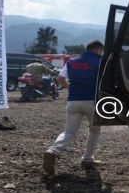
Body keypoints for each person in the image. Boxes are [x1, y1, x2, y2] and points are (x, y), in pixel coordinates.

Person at [43, 40, 104, 175]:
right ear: (98, 49)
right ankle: (87, 159)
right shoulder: (100, 62)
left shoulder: (71, 62)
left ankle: (53, 151)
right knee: (94, 130)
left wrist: (70, 88)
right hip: (92, 101)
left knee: (69, 132)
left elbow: (60, 78)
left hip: (73, 101)